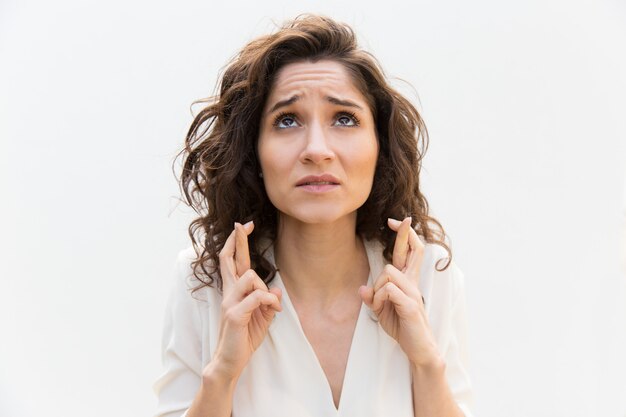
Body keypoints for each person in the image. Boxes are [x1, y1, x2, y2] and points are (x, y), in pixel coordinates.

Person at [153, 13, 475, 417]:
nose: (316, 149)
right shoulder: (204, 281)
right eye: (287, 120)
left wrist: (426, 363)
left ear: (381, 147)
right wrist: (223, 372)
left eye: (344, 118)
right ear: (254, 151)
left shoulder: (429, 278)